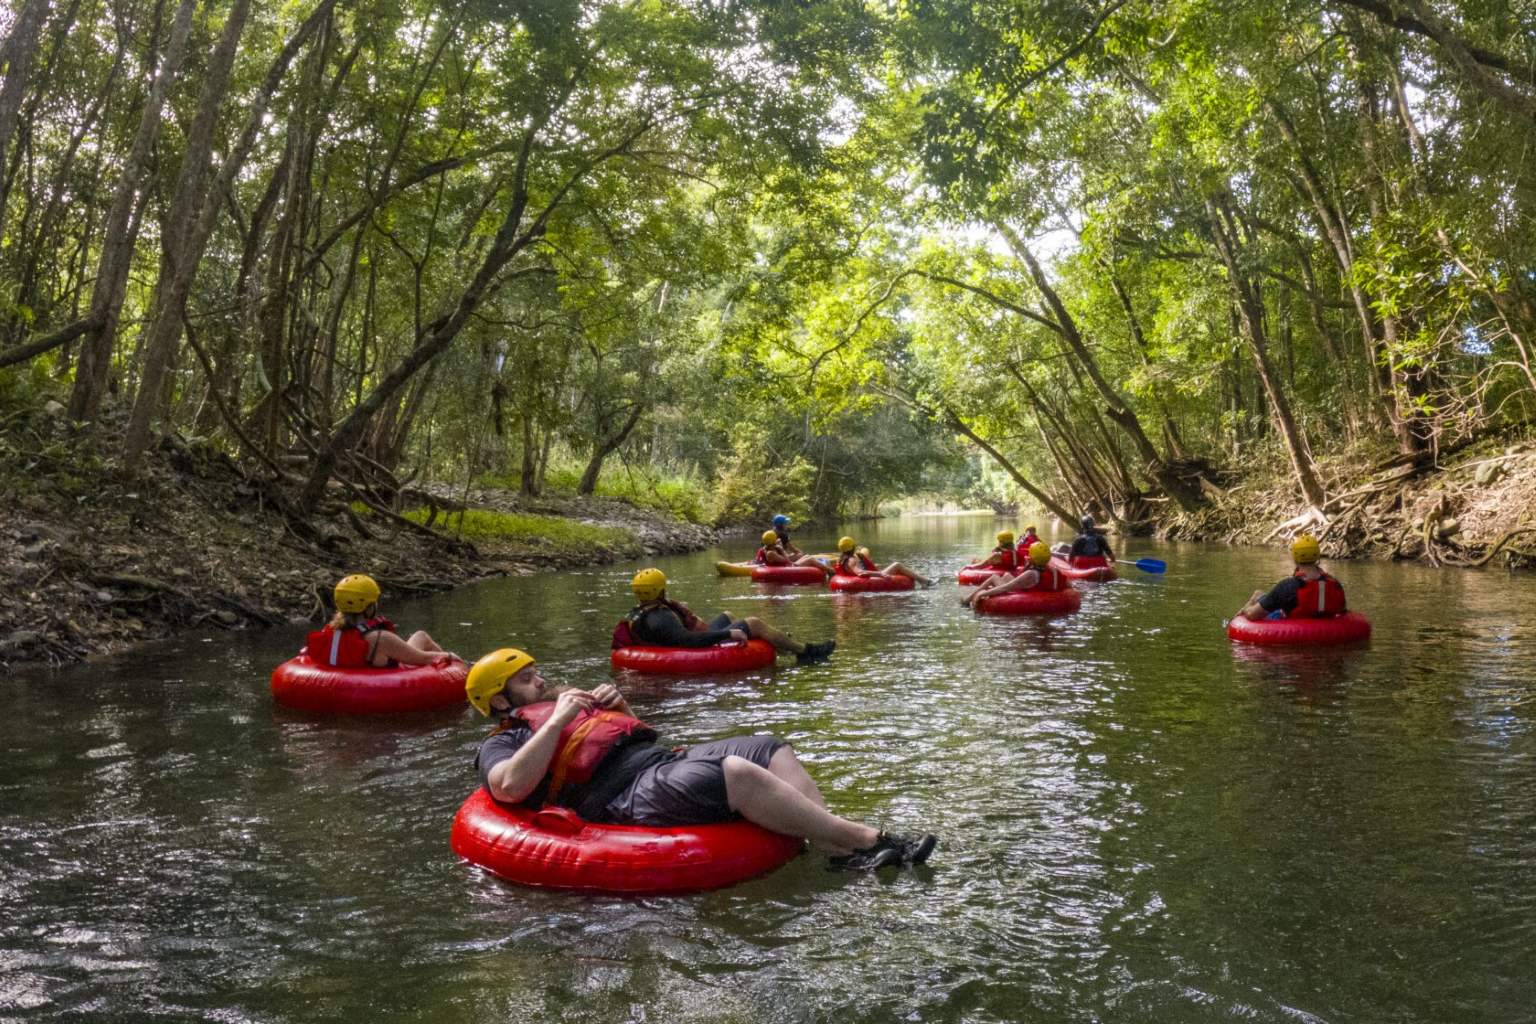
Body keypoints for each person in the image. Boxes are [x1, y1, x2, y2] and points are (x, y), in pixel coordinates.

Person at [465, 649, 937, 871]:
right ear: (501, 703)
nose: (541, 683)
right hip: (622, 797)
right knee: (736, 772)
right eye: (527, 681)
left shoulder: (562, 710)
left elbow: (643, 737)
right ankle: (868, 840)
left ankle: (834, 850)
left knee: (768, 747)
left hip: (659, 763)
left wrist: (620, 709)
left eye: (536, 672)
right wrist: (557, 720)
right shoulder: (501, 743)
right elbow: (509, 787)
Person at [615, 568, 835, 663]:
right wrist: (728, 634)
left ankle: (780, 644)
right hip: (689, 650)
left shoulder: (641, 612)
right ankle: (804, 651)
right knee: (753, 623)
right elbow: (688, 640)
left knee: (728, 614)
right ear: (660, 590)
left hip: (675, 641)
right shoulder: (660, 618)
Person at [306, 574, 460, 668]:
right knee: (424, 640)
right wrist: (455, 659)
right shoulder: (380, 638)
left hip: (339, 684)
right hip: (376, 688)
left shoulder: (329, 630)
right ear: (368, 606)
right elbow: (427, 658)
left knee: (420, 635)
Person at [1237, 534, 1348, 621]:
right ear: (1318, 555)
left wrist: (1246, 609)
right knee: (1270, 599)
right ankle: (1259, 595)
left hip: (1294, 625)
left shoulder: (1287, 587)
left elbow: (1252, 615)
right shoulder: (1335, 584)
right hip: (1326, 632)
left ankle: (1257, 596)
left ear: (1295, 557)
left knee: (1263, 604)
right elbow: (1342, 611)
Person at [961, 542, 1070, 607]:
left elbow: (1006, 588)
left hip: (1023, 594)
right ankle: (977, 594)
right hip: (1036, 589)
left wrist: (982, 594)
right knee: (1006, 575)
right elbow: (1068, 585)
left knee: (994, 578)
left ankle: (968, 599)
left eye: (1030, 555)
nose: (1028, 556)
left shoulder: (1031, 573)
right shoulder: (1054, 570)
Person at [833, 536, 934, 587]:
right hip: (870, 579)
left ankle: (922, 581)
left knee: (897, 570)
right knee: (897, 565)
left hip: (858, 580)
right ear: (852, 547)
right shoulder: (851, 559)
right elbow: (860, 573)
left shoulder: (841, 559)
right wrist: (880, 574)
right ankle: (924, 581)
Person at [755, 530, 833, 578]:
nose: (777, 539)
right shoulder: (771, 553)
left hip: (787, 566)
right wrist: (782, 550)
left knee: (807, 556)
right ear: (772, 541)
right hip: (789, 567)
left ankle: (828, 570)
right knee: (810, 559)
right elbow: (787, 561)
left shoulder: (768, 548)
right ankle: (831, 571)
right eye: (775, 538)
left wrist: (778, 546)